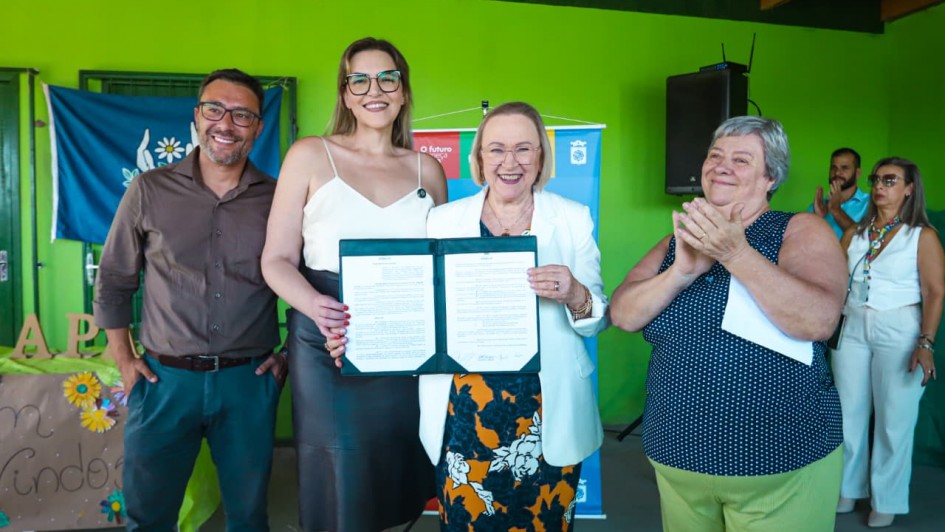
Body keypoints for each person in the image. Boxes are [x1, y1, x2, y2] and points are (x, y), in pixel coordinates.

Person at [610, 116, 848, 531]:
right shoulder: (675, 243)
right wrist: (680, 273)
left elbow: (818, 320)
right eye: (715, 156)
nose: (721, 166)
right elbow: (623, 314)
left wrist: (735, 255)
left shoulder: (797, 229)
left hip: (779, 459)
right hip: (678, 458)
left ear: (769, 177)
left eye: (741, 160)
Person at [260, 37, 447, 532]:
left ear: (404, 91)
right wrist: (320, 309)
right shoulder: (309, 154)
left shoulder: (429, 169)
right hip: (327, 339)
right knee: (340, 480)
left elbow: (438, 266)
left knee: (397, 473)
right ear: (344, 95)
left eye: (387, 77)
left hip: (403, 344)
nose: (374, 90)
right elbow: (276, 261)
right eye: (358, 80)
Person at [94, 68, 286, 530]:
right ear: (197, 117)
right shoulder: (149, 190)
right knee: (149, 516)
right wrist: (124, 360)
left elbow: (308, 278)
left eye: (242, 115)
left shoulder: (279, 200)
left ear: (258, 127)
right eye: (214, 109)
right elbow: (115, 279)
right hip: (163, 383)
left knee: (248, 517)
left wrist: (292, 354)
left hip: (248, 383)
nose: (226, 124)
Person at [406, 101, 607, 530]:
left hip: (545, 409)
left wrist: (574, 293)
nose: (509, 162)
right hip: (464, 412)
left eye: (523, 149)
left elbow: (596, 317)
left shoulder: (572, 219)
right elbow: (423, 312)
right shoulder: (441, 221)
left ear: (540, 158)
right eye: (496, 150)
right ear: (478, 158)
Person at [831, 157, 944, 528]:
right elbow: (835, 275)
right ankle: (849, 487)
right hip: (853, 326)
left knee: (895, 420)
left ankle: (888, 497)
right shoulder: (857, 233)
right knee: (849, 414)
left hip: (900, 327)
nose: (880, 186)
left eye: (891, 180)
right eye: (877, 179)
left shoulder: (921, 235)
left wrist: (925, 342)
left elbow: (934, 291)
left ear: (909, 188)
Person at [810, 147, 871, 238]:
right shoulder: (818, 206)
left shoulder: (871, 204)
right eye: (833, 168)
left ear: (857, 173)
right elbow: (806, 242)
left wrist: (836, 210)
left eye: (845, 168)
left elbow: (864, 241)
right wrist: (819, 218)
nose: (837, 173)